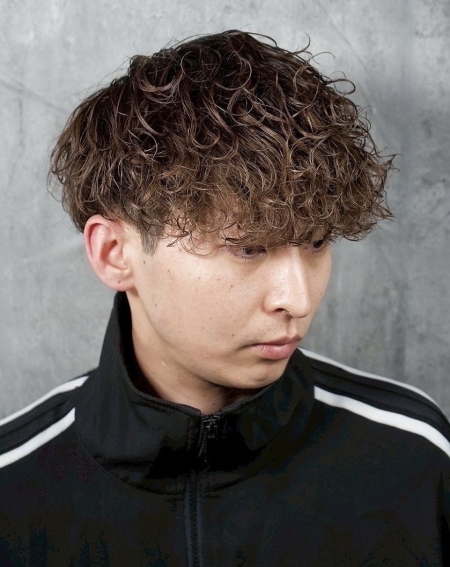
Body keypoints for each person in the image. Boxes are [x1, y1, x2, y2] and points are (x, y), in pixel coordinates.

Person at [0, 30, 449, 566]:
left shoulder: (415, 459)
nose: (297, 300)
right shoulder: (14, 487)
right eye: (248, 248)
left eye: (316, 243)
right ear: (115, 253)